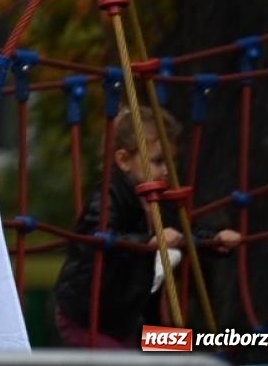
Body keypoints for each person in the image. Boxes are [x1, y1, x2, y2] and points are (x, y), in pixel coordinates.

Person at [52, 110, 241, 346]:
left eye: (172, 162)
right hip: (87, 316)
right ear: (123, 160)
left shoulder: (158, 200)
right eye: (158, 161)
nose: (166, 170)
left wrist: (215, 241)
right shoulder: (109, 195)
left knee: (188, 345)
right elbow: (99, 237)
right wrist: (148, 242)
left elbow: (184, 233)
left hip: (127, 317)